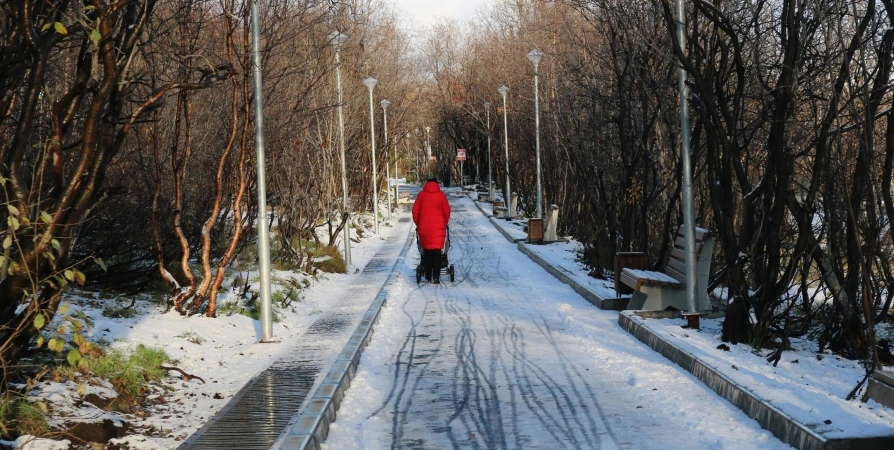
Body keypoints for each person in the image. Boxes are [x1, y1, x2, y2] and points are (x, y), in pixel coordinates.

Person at [413, 177, 451, 283]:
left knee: (427, 251)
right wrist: (444, 223)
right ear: (437, 184)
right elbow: (447, 211)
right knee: (437, 252)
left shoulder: (421, 195)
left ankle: (428, 275)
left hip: (424, 227)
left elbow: (415, 211)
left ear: (427, 183)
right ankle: (436, 277)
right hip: (438, 227)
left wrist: (418, 223)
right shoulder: (442, 195)